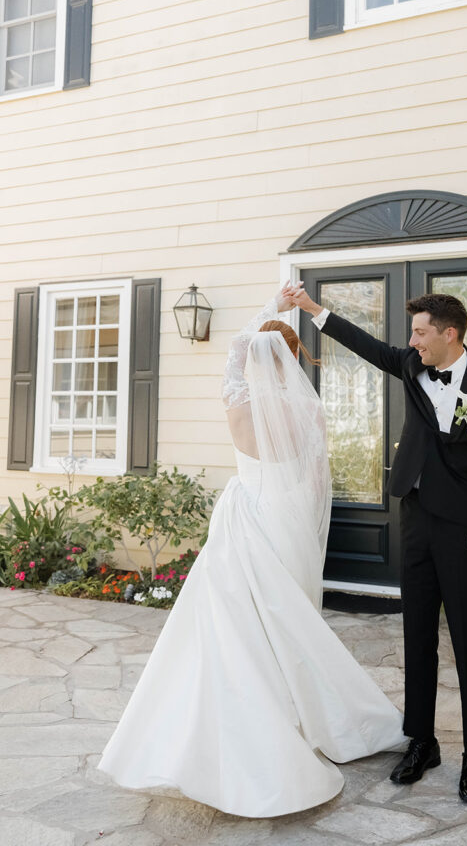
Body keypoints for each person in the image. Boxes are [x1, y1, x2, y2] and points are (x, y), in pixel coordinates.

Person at [97, 282, 405, 817]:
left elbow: (235, 352)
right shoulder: (309, 414)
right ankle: (303, 715)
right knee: (289, 620)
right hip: (285, 521)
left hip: (243, 516)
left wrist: (273, 307)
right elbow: (315, 487)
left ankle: (236, 719)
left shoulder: (237, 402)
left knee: (233, 623)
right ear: (291, 360)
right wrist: (307, 533)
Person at [291, 287, 467, 804]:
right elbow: (364, 344)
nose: (412, 341)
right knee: (417, 638)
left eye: (421, 332)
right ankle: (422, 742)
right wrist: (312, 309)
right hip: (415, 520)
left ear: (450, 334)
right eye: (412, 332)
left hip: (466, 530)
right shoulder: (411, 366)